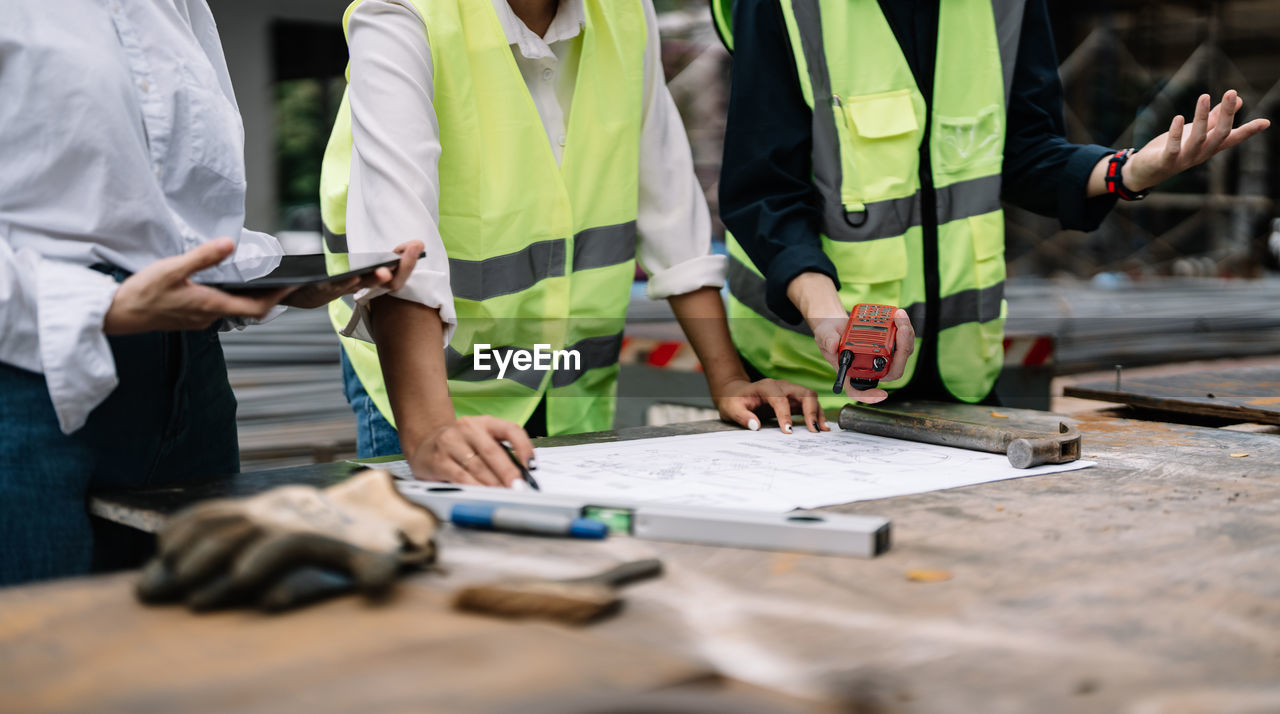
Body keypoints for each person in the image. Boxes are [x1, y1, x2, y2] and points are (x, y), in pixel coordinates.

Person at [0, 0, 420, 585]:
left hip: (189, 381)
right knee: (44, 649)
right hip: (27, 379)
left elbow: (175, 217)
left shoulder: (176, 8)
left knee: (198, 637)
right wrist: (102, 305)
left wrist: (275, 274)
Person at [320, 0, 824, 487]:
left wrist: (729, 380)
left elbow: (669, 206)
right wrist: (429, 431)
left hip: (563, 380)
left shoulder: (625, 11)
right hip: (426, 386)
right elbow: (401, 250)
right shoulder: (401, 13)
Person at [711, 0, 1270, 409]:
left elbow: (1023, 150)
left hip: (961, 381)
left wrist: (1128, 170)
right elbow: (764, 191)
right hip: (813, 384)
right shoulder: (787, 7)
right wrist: (826, 315)